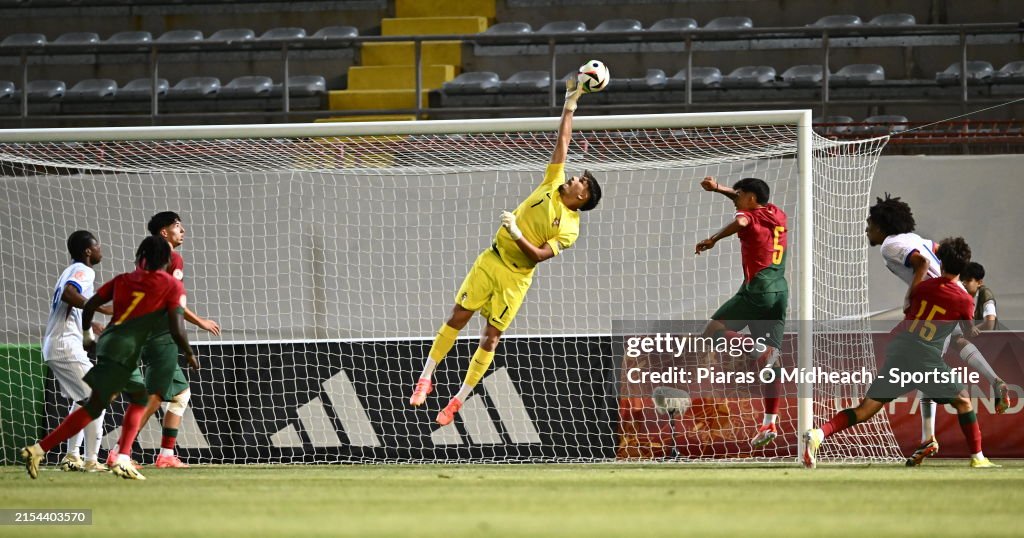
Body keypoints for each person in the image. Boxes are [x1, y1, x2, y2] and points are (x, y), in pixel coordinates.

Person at [408, 75, 602, 426]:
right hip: (492, 260)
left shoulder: (571, 228)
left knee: (491, 338)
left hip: (516, 278)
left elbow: (538, 256)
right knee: (458, 316)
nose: (575, 178)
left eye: (581, 182)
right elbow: (563, 139)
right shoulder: (552, 181)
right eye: (578, 177)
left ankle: (457, 400)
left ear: (582, 197)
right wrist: (570, 104)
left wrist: (516, 232)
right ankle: (425, 377)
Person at [803, 237, 998, 469]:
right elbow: (967, 330)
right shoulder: (964, 300)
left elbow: (909, 307)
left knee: (865, 409)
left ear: (941, 262)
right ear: (963, 268)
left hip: (900, 349)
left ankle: (819, 434)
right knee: (964, 401)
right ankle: (978, 458)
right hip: (925, 356)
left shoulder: (922, 287)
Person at [21, 236, 195, 480]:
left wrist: (86, 334)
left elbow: (91, 304)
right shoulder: (172, 285)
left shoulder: (123, 279)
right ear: (167, 261)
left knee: (107, 402)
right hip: (127, 347)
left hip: (109, 343)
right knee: (128, 401)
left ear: (141, 258)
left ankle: (42, 450)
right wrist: (188, 352)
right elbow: (177, 327)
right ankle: (116, 458)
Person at [865, 194, 1009, 466]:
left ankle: (942, 443)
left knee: (928, 369)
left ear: (882, 225)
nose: (867, 228)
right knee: (952, 347)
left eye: (870, 223)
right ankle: (993, 381)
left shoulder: (891, 244)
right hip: (951, 298)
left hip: (934, 302)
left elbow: (921, 263)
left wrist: (912, 294)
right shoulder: (916, 238)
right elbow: (939, 249)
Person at [107, 211, 219, 469]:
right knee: (155, 396)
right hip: (160, 333)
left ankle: (166, 454)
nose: (183, 230)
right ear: (164, 232)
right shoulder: (173, 258)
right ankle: (118, 451)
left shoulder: (145, 258)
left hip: (140, 330)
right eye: (177, 226)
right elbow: (173, 302)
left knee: (180, 393)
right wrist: (200, 322)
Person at [695, 176, 788, 448]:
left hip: (757, 289)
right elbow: (746, 202)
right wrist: (718, 189)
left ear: (750, 198)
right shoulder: (776, 213)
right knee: (772, 363)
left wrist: (713, 239)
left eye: (739, 194)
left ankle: (756, 348)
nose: (735, 198)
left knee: (711, 332)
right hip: (779, 291)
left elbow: (743, 221)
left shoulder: (748, 216)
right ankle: (769, 422)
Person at [42, 230, 113, 473]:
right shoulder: (84, 270)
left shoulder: (69, 271)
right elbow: (69, 294)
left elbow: (71, 304)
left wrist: (91, 325)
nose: (101, 249)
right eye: (98, 246)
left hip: (59, 344)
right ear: (88, 251)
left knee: (84, 400)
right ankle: (91, 460)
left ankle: (72, 456)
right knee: (98, 397)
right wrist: (102, 308)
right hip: (64, 345)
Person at [960, 262, 998, 337]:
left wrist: (969, 332)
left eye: (968, 280)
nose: (964, 283)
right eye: (963, 280)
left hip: (987, 340)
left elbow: (990, 324)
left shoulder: (986, 294)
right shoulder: (962, 295)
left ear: (979, 283)